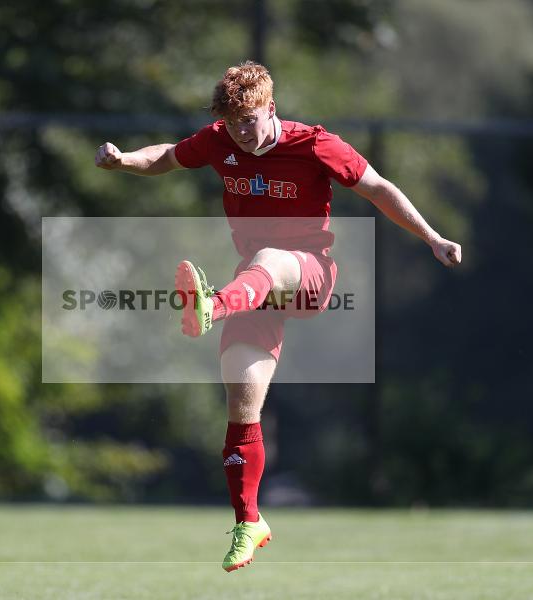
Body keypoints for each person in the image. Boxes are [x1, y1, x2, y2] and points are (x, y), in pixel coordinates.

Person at [94, 61, 461, 572]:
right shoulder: (219, 139)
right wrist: (125, 160)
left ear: (271, 108)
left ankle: (213, 304)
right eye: (231, 123)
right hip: (255, 287)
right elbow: (169, 157)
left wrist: (433, 238)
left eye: (249, 121)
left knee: (269, 259)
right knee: (240, 398)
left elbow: (378, 188)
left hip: (308, 274)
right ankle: (249, 522)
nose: (240, 133)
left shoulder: (314, 144)